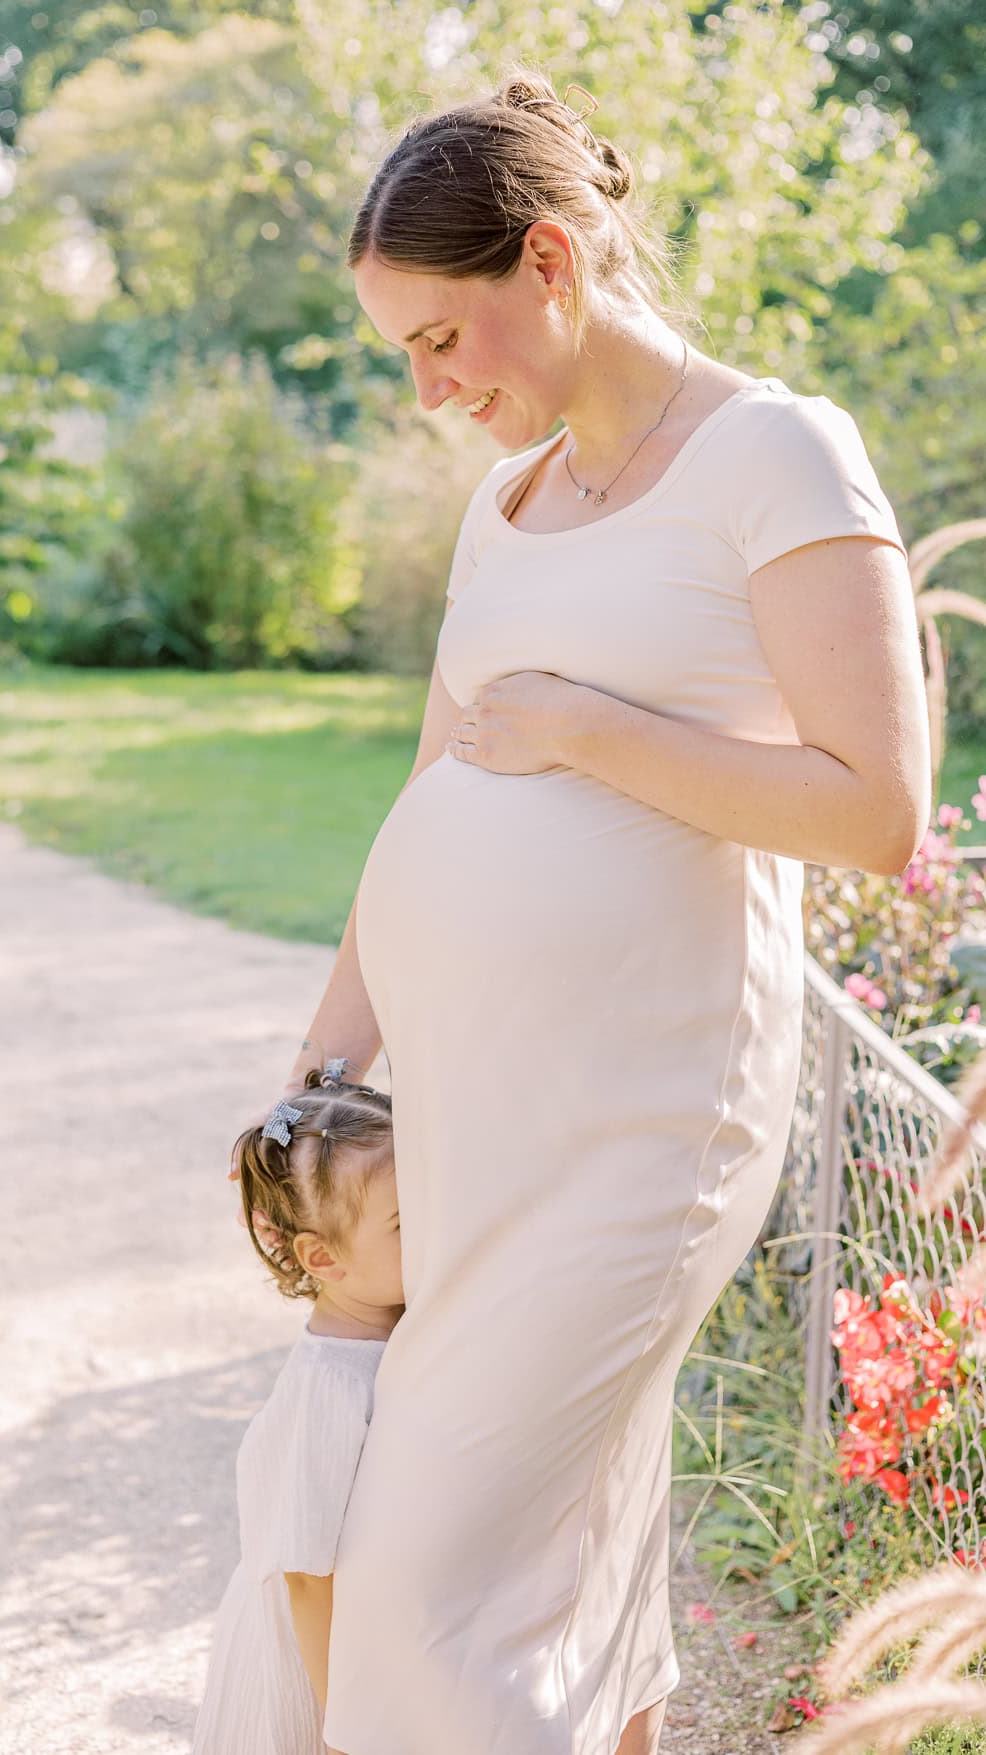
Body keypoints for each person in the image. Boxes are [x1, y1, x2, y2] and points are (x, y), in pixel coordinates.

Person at [234, 64, 931, 1755]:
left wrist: (594, 734)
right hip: (471, 1112)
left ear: (549, 261)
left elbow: (876, 810)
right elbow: (427, 809)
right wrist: (318, 1082)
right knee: (560, 1534)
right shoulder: (506, 505)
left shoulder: (778, 452)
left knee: (420, 1567)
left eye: (439, 339)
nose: (427, 390)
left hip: (643, 1112)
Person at [192, 1061, 403, 1755]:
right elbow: (309, 1579)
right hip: (314, 1677)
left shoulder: (394, 1329)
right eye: (407, 1222)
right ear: (324, 1257)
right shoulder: (333, 1387)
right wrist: (344, 1728)